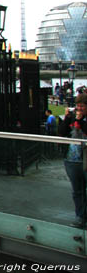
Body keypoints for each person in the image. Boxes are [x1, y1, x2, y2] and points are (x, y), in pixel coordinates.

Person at [58, 93, 87, 227]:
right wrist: (66, 119)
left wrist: (80, 121)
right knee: (77, 191)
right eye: (78, 106)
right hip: (72, 159)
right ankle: (80, 216)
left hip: (85, 158)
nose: (79, 109)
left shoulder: (82, 119)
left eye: (82, 106)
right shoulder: (72, 117)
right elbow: (62, 133)